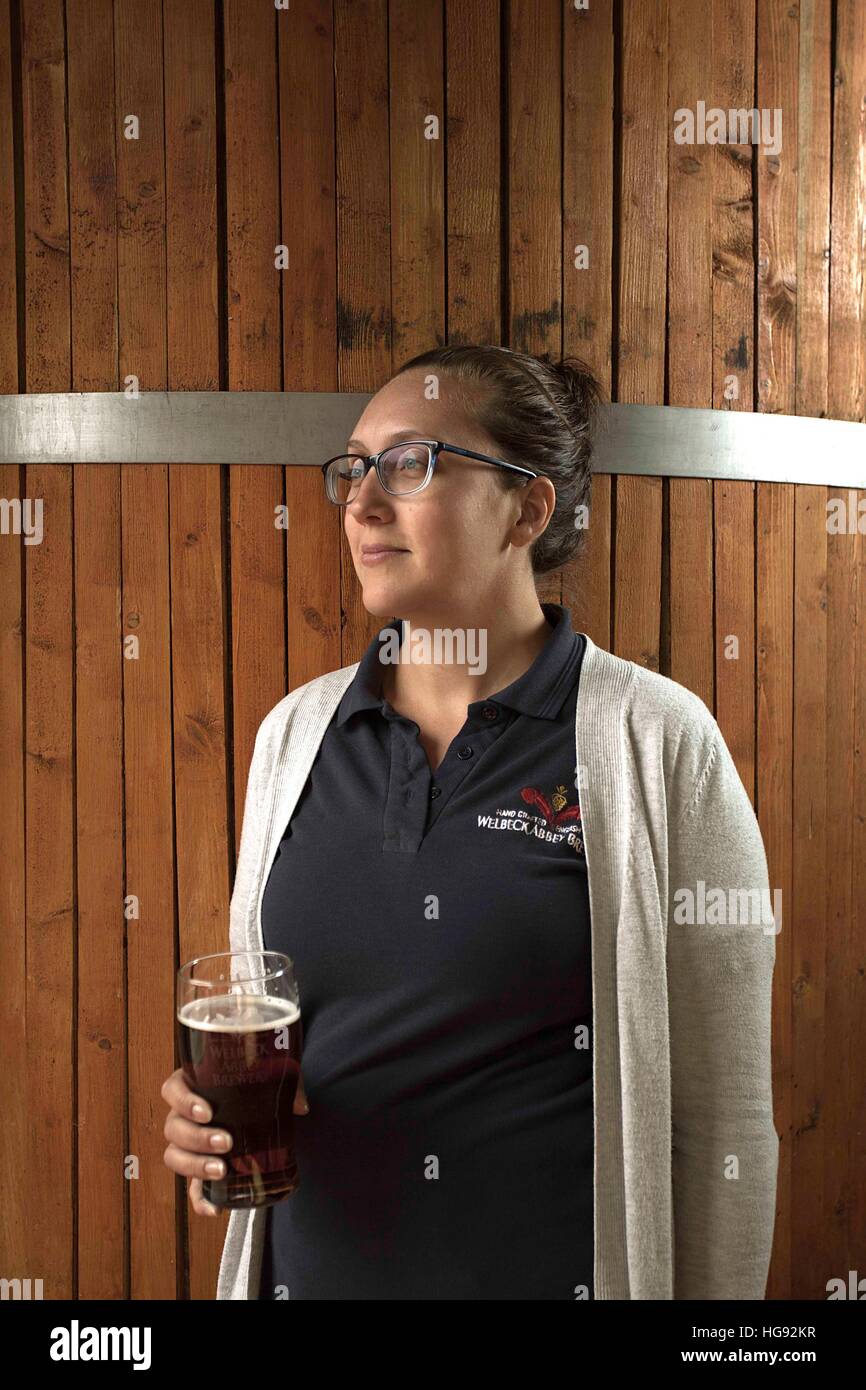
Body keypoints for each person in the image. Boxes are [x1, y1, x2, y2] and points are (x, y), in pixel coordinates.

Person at [162, 343, 779, 1300]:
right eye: (354, 469)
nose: (364, 502)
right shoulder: (293, 735)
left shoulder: (658, 742)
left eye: (411, 463)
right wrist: (213, 1142)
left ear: (529, 508)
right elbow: (276, 1048)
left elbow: (727, 1119)